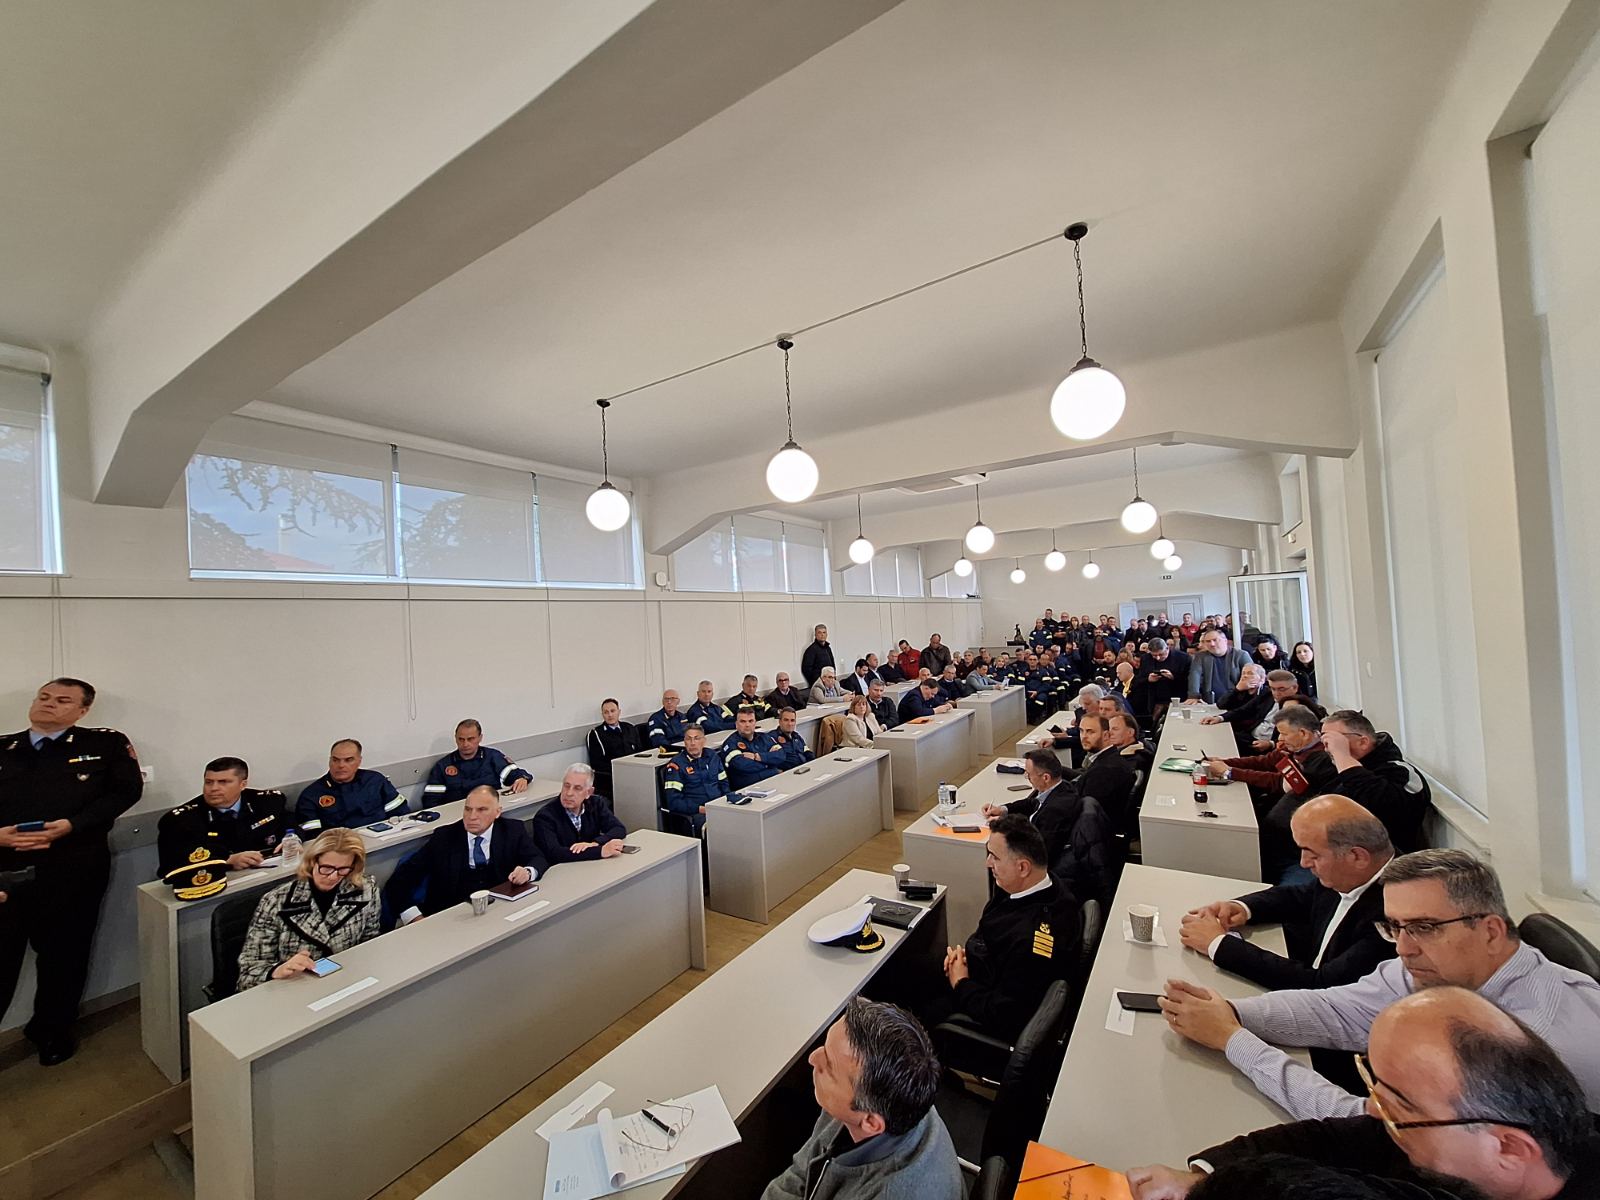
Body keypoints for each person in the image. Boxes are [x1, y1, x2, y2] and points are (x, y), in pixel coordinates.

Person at [1157, 849, 1600, 1121]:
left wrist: (1235, 1041)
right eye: (1395, 927)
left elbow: (1377, 1126)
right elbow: (1335, 1010)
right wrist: (1228, 1012)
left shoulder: (1530, 1045)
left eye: (1424, 927)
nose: (1404, 948)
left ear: (1490, 930)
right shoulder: (1440, 967)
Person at [1128, 987, 1600, 1200]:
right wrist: (1203, 1179)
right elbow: (1327, 1139)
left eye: (1399, 1103)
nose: (1373, 1109)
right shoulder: (1438, 1132)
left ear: (1509, 1147)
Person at [0, 678, 142, 1064]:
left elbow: (125, 791)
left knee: (64, 957)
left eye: (63, 700)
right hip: (6, 874)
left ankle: (51, 1031)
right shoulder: (4, 748)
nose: (48, 704)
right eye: (44, 697)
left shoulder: (104, 744)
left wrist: (72, 825)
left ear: (82, 711)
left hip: (72, 870)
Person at [1179, 795, 1395, 990]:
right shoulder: (1351, 874)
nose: (1303, 863)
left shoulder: (1394, 916)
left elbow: (1320, 985)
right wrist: (1242, 908)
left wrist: (1218, 944)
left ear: (1357, 857)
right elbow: (1302, 897)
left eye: (1313, 855)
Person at [761, 996, 961, 1200]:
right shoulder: (893, 1100)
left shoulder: (891, 1192)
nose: (813, 1058)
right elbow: (802, 1170)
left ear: (871, 1123)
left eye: (829, 1067)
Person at [915, 816, 1080, 1039]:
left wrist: (960, 982)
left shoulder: (1030, 941)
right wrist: (964, 958)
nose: (987, 863)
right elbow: (990, 938)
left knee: (910, 1004)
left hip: (979, 1011)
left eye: (995, 856)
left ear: (1022, 867)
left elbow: (1004, 1014)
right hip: (980, 974)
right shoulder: (1043, 886)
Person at [235, 828, 382, 991]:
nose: (333, 876)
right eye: (326, 868)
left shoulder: (366, 890)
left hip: (346, 982)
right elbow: (248, 974)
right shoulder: (276, 901)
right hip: (293, 988)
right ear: (312, 862)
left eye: (343, 869)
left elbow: (370, 945)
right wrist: (276, 971)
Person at [383, 786, 548, 922]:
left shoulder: (512, 830)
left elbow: (538, 858)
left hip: (499, 911)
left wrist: (527, 872)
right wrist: (413, 917)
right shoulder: (444, 838)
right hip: (451, 916)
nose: (472, 817)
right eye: (468, 809)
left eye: (481, 810)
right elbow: (398, 882)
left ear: (497, 812)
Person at [983, 746, 1116, 906]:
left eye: (1029, 775)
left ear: (1045, 777)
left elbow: (1038, 852)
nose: (1027, 778)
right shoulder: (1063, 788)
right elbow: (1033, 803)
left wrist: (1004, 826)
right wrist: (1003, 809)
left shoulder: (1054, 812)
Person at [1320, 710, 1431, 853]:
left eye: (1334, 740)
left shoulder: (1399, 771)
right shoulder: (1344, 765)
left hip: (1382, 855)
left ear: (1363, 742)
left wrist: (1342, 755)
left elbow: (1378, 805)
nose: (1328, 748)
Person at [157, 756, 289, 876]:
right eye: (209, 782)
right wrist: (225, 861)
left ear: (242, 784)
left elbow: (289, 826)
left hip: (269, 873)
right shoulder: (181, 820)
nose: (213, 788)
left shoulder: (268, 802)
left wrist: (293, 840)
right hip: (214, 883)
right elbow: (169, 867)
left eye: (223, 782)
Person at [295, 738, 405, 833]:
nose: (341, 765)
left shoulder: (375, 781)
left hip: (383, 839)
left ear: (359, 761)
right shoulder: (312, 795)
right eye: (335, 760)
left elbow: (401, 814)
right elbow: (312, 837)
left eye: (348, 760)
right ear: (330, 761)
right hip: (340, 846)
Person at [532, 764, 627, 862]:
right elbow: (554, 853)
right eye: (566, 786)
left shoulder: (596, 803)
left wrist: (595, 843)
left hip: (590, 863)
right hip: (562, 868)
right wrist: (600, 851)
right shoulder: (545, 817)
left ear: (589, 792)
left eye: (577, 788)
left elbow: (618, 828)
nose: (569, 793)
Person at [423, 718, 533, 803]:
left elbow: (516, 775)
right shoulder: (443, 766)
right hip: (457, 817)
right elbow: (431, 801)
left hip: (489, 811)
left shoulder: (492, 757)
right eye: (461, 739)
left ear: (480, 738)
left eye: (470, 739)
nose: (465, 744)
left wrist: (522, 779)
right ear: (455, 738)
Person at [661, 726, 729, 832]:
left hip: (718, 806)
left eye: (697, 738)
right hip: (696, 813)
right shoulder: (676, 765)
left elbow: (724, 783)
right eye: (689, 739)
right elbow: (674, 802)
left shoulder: (712, 756)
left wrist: (726, 802)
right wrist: (700, 809)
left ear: (704, 741)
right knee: (722, 826)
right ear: (684, 742)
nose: (692, 743)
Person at [1201, 662, 1273, 752]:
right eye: (1243, 673)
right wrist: (1237, 690)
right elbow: (1221, 704)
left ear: (1262, 679)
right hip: (1233, 725)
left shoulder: (1266, 694)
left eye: (1250, 673)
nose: (1245, 676)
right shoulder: (1239, 690)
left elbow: (1246, 712)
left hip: (1250, 732)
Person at [585, 698, 642, 800]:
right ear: (602, 715)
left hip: (635, 772)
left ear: (619, 712)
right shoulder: (595, 734)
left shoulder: (630, 728)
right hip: (612, 777)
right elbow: (597, 764)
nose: (610, 715)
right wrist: (621, 770)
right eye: (606, 712)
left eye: (612, 711)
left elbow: (640, 752)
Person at [1186, 629, 1252, 705]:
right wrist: (1194, 695)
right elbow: (1195, 674)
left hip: (1237, 700)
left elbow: (1252, 675)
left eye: (1215, 640)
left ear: (1225, 641)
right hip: (1210, 701)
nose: (1212, 644)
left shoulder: (1241, 655)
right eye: (1208, 641)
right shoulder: (1200, 656)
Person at [724, 709, 783, 789]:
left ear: (755, 723)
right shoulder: (731, 743)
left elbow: (781, 755)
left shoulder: (764, 737)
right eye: (743, 721)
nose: (747, 725)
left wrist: (757, 757)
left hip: (772, 780)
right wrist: (768, 763)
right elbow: (742, 765)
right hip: (748, 788)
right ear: (736, 724)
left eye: (750, 721)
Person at [801, 624, 835, 688]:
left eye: (824, 632)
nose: (822, 635)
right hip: (819, 685)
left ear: (826, 634)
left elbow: (832, 665)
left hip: (830, 684)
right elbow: (806, 669)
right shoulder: (811, 650)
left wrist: (833, 678)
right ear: (815, 635)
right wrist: (817, 682)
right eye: (819, 633)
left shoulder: (828, 648)